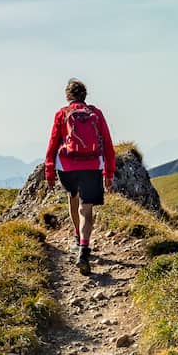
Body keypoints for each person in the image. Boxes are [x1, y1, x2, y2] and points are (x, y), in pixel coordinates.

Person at [43, 78, 116, 274]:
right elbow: (108, 145)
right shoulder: (96, 114)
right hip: (92, 165)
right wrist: (109, 172)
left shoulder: (62, 113)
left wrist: (49, 171)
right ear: (85, 96)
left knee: (73, 198)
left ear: (68, 96)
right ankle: (84, 248)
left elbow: (52, 144)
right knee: (87, 209)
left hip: (67, 167)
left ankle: (77, 236)